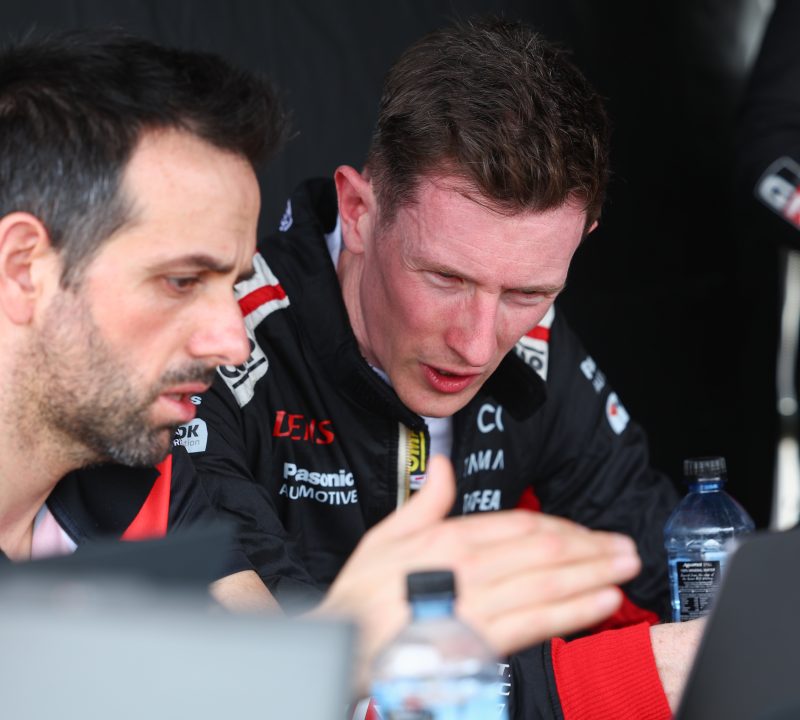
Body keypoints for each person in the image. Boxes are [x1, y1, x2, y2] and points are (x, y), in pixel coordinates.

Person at [0, 26, 642, 682]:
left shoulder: (143, 479)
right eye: (182, 281)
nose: (230, 338)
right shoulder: (178, 410)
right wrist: (354, 651)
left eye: (528, 294)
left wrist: (343, 658)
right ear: (23, 268)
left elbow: (271, 682)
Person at [188, 16, 701, 719]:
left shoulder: (534, 339)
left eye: (528, 293)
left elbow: (669, 563)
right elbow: (276, 683)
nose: (479, 344)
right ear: (358, 210)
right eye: (445, 279)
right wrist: (615, 679)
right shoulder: (215, 347)